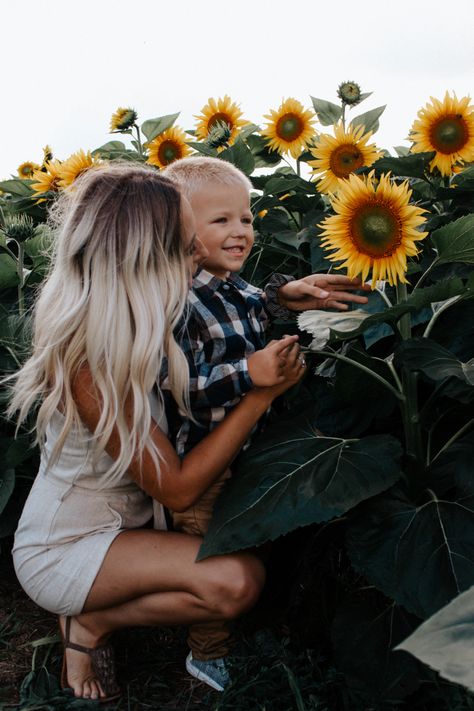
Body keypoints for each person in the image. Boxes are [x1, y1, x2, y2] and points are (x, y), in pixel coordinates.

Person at [7, 162, 306, 702]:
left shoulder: (143, 311)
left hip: (133, 525)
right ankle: (90, 621)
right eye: (184, 245)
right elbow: (177, 488)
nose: (198, 256)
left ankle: (96, 613)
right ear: (142, 259)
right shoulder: (89, 361)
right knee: (236, 583)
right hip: (70, 544)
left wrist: (282, 296)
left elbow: (220, 298)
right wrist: (261, 393)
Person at [161, 156, 370, 689]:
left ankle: (243, 616)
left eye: (247, 219)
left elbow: (255, 299)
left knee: (253, 539)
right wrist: (247, 373)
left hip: (248, 449)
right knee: (214, 548)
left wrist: (287, 289)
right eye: (221, 221)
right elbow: (179, 386)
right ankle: (206, 651)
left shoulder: (228, 285)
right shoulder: (176, 305)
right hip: (206, 464)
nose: (241, 232)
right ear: (181, 234)